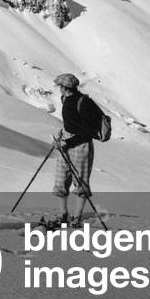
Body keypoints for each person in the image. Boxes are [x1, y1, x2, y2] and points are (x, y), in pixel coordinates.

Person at [50, 72, 101, 225]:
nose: (58, 88)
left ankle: (76, 218)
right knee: (61, 180)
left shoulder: (84, 102)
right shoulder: (65, 99)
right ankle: (63, 215)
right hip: (66, 141)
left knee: (81, 183)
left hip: (81, 145)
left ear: (65, 87)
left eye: (60, 86)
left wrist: (67, 143)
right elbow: (70, 121)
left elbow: (87, 131)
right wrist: (62, 132)